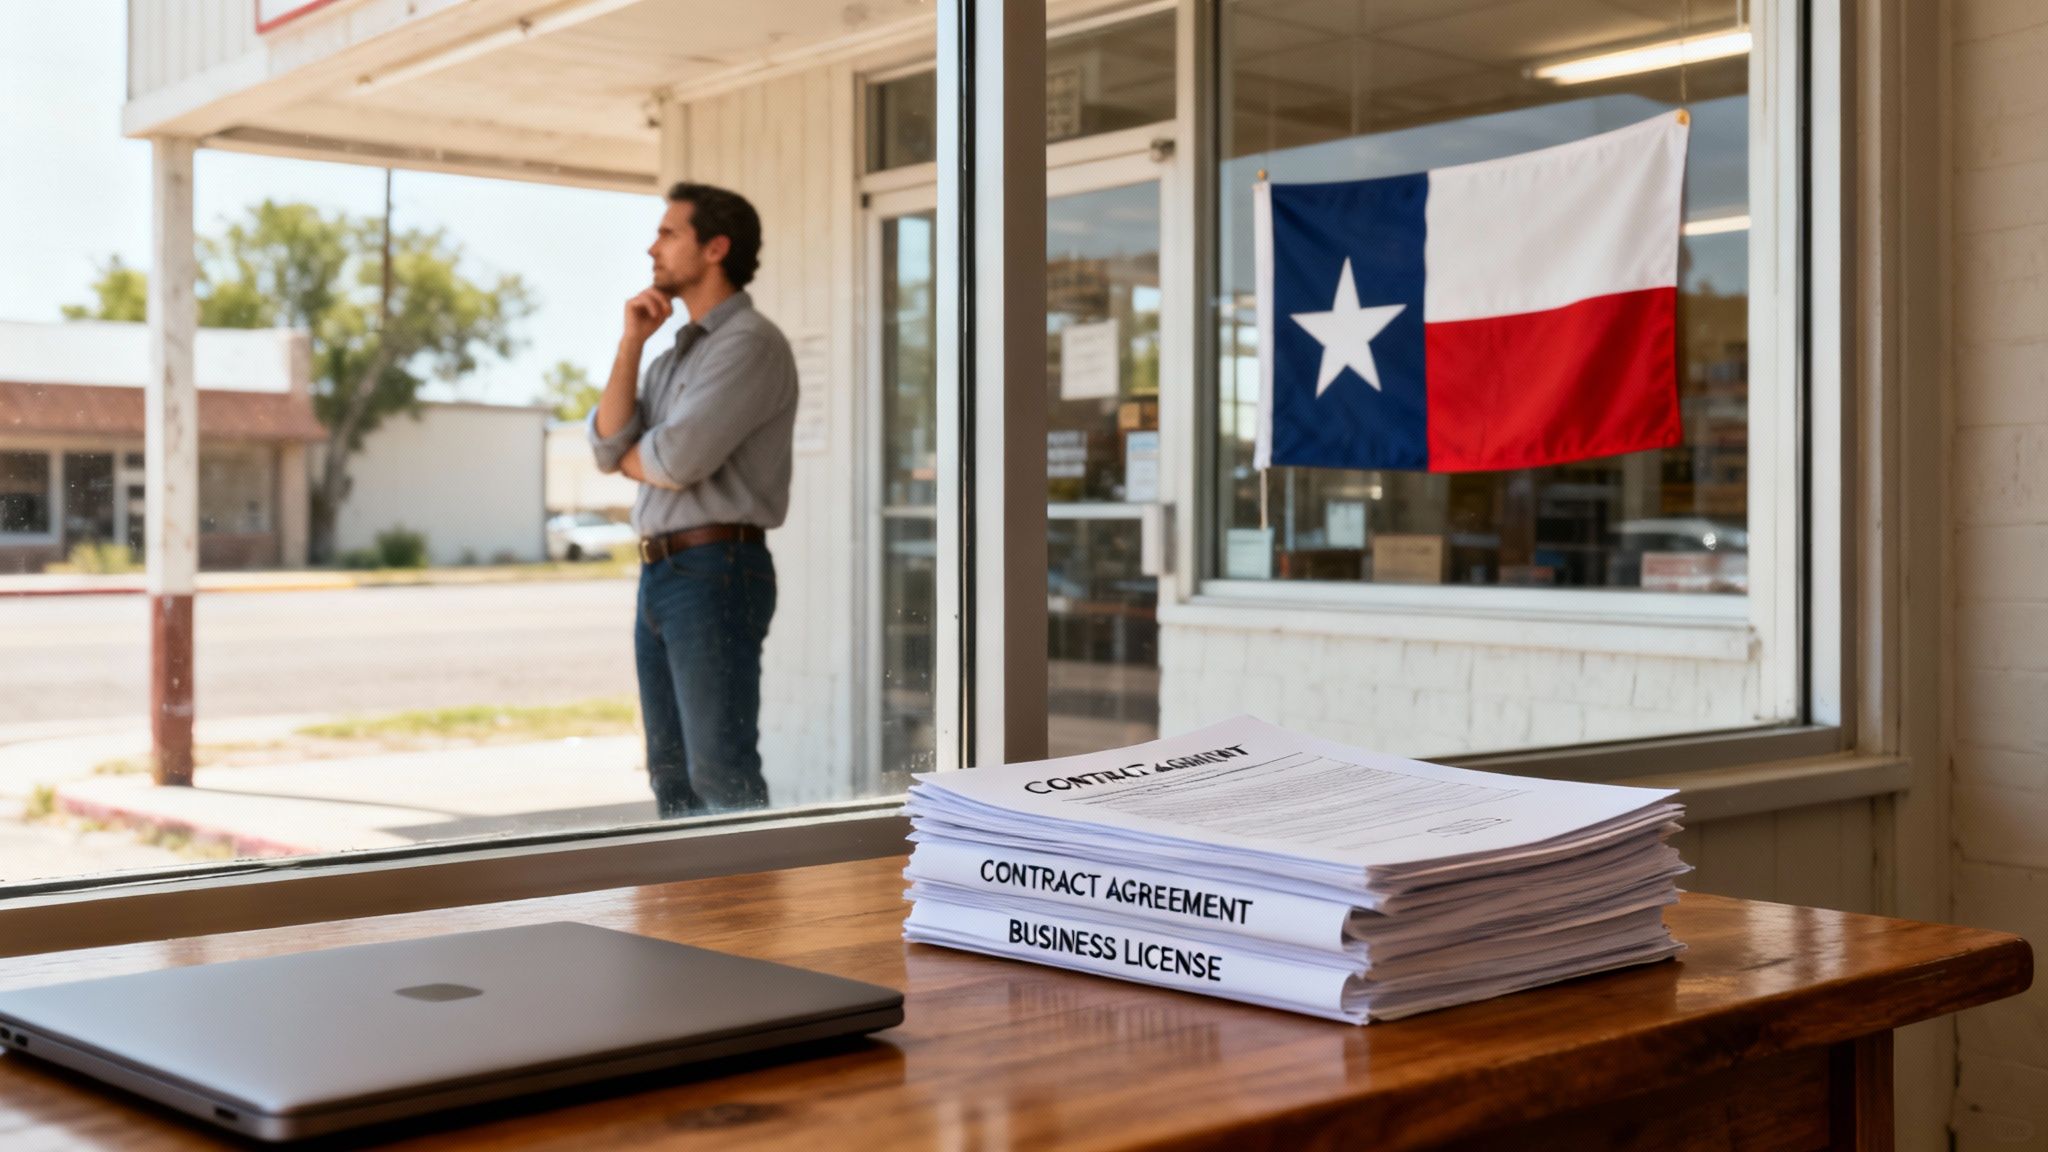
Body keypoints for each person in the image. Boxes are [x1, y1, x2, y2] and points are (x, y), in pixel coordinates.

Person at [589, 183, 797, 817]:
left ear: (716, 248)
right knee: (671, 776)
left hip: (716, 573)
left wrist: (637, 456)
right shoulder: (669, 355)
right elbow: (606, 447)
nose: (652, 246)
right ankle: (687, 918)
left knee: (721, 774)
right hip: (662, 574)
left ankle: (750, 917)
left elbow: (675, 461)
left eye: (669, 233)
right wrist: (632, 343)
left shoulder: (749, 344)